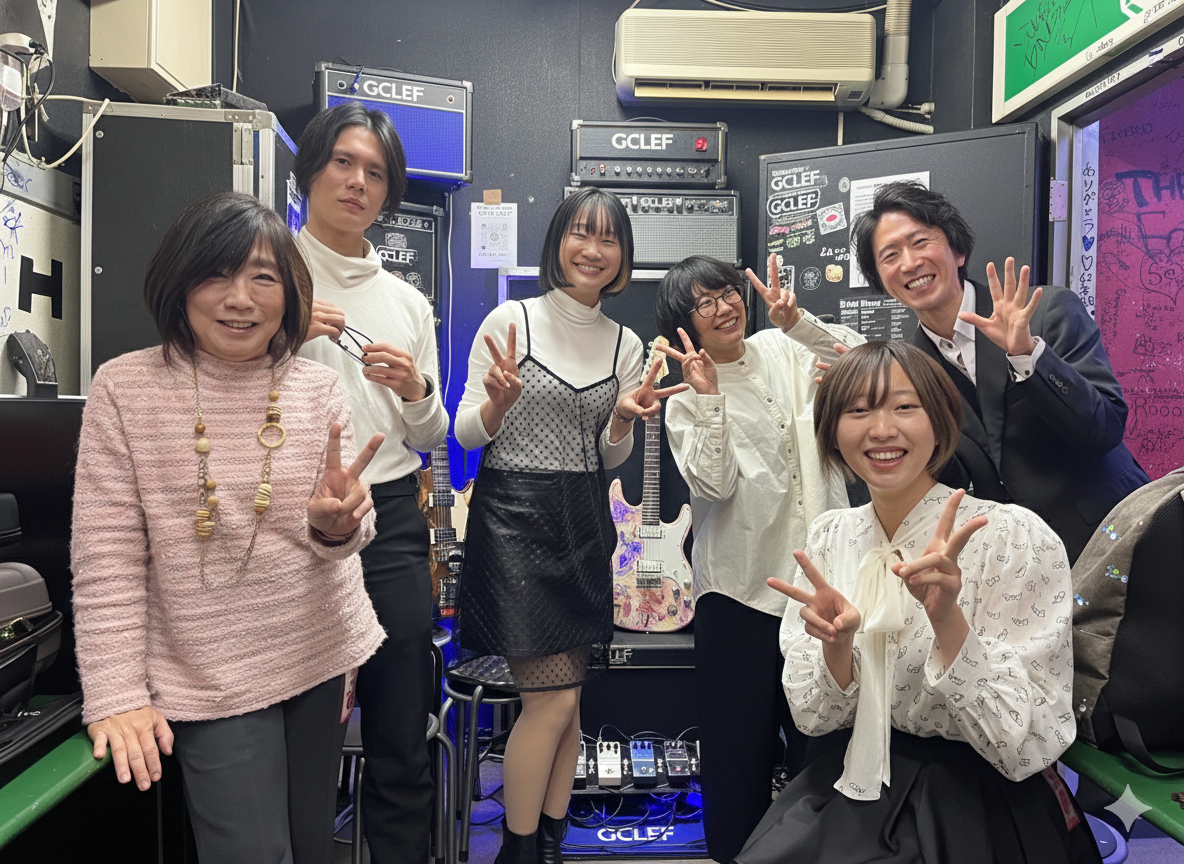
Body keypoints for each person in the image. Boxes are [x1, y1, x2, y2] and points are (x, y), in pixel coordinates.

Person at [72, 191, 387, 864]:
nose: (239, 298)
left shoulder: (318, 388)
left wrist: (337, 526)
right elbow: (106, 559)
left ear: (290, 295)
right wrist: (116, 693)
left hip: (320, 648)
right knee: (251, 852)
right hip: (204, 670)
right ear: (179, 283)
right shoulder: (124, 389)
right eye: (216, 274)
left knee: (312, 845)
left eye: (263, 277)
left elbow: (348, 534)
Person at [735, 341, 1101, 864]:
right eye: (858, 410)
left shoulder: (1012, 536)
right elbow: (813, 718)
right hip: (851, 777)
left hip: (976, 797)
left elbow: (1029, 745)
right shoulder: (830, 536)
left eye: (905, 406)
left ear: (940, 420)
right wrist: (837, 649)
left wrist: (948, 622)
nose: (882, 429)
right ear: (832, 431)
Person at [452, 186, 685, 864]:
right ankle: (519, 851)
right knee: (549, 706)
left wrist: (623, 420)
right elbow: (464, 432)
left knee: (572, 705)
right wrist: (496, 406)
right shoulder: (512, 320)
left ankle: (548, 844)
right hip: (513, 523)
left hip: (584, 525)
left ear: (622, 257)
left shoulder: (625, 344)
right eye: (581, 232)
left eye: (608, 238)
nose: (593, 249)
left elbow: (608, 456)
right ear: (558, 241)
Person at [653, 254, 864, 864]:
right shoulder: (684, 397)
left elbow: (868, 364)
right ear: (684, 321)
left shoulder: (785, 347)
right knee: (736, 754)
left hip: (823, 588)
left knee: (820, 745)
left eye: (727, 293)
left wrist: (799, 323)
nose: (724, 307)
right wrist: (709, 398)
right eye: (705, 302)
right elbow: (713, 485)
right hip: (740, 593)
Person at [292, 101, 449, 864]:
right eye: (343, 162)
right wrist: (282, 337)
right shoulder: (266, 274)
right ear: (309, 171)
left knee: (400, 723)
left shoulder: (408, 303)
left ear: (390, 193)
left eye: (376, 173)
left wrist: (417, 390)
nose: (358, 182)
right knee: (294, 721)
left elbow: (431, 436)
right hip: (286, 516)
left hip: (388, 519)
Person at [849, 181, 1147, 563]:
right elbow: (949, 476)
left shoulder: (1046, 312)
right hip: (1012, 562)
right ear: (880, 279)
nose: (908, 263)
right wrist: (869, 418)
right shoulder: (910, 368)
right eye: (890, 255)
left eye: (920, 242)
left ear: (957, 251)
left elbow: (1104, 429)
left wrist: (1028, 356)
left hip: (1113, 536)